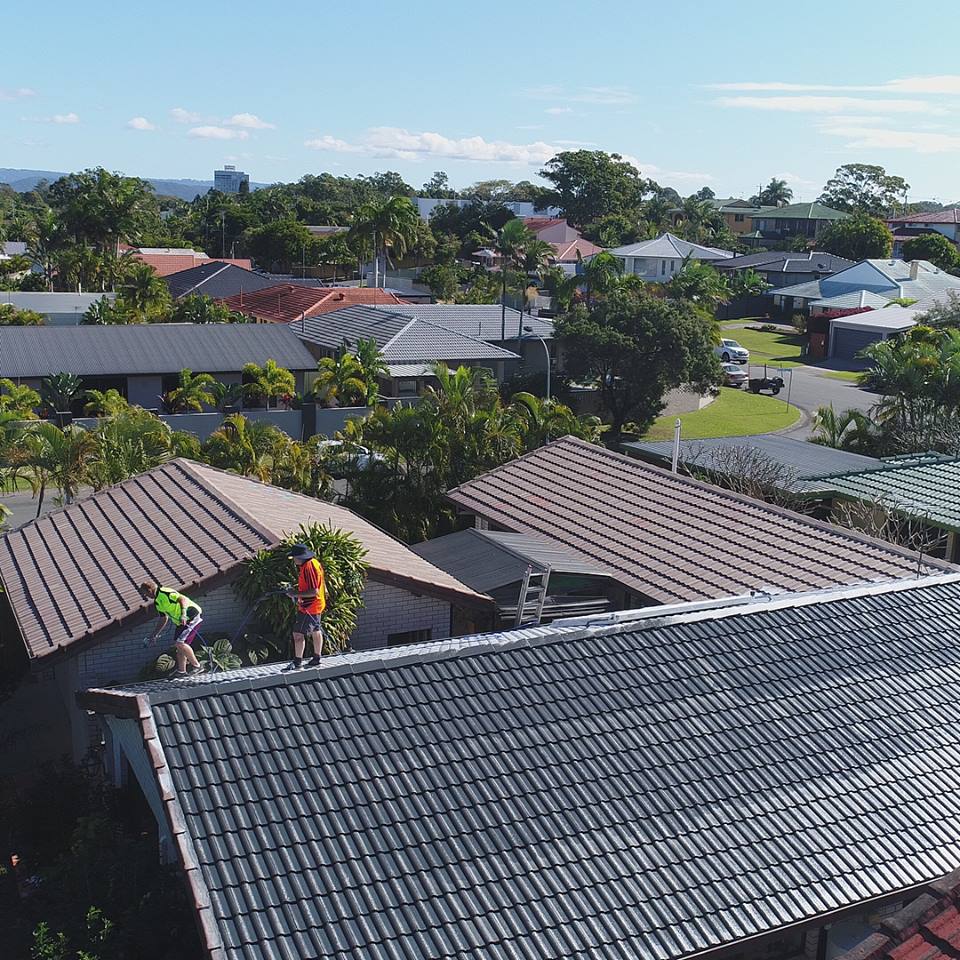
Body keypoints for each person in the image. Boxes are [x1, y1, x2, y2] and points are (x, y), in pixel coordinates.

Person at [140, 581, 205, 678]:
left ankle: (197, 666)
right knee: (179, 646)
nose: (145, 596)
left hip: (191, 616)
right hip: (181, 622)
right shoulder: (157, 602)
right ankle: (182, 671)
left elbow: (183, 599)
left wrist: (183, 614)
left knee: (180, 643)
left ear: (150, 590)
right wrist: (154, 635)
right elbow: (163, 618)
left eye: (145, 593)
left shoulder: (165, 592)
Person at [286, 544, 326, 669]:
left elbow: (313, 591)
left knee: (298, 634)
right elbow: (319, 587)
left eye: (294, 557)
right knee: (316, 630)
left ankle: (297, 662)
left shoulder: (308, 567)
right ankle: (316, 658)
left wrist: (294, 593)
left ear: (300, 557)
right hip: (317, 604)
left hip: (309, 606)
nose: (293, 559)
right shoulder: (314, 563)